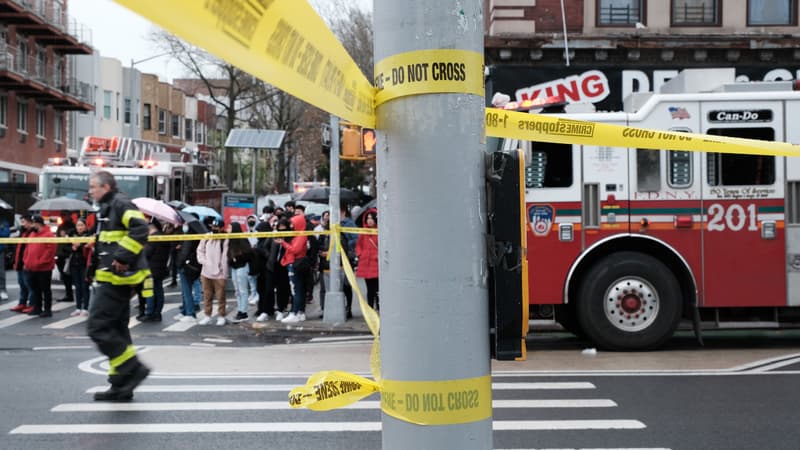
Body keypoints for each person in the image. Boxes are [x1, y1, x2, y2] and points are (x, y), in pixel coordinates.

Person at [86, 170, 151, 402]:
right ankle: (121, 385)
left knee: (98, 327)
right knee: (117, 330)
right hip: (111, 277)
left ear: (105, 187)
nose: (90, 191)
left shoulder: (120, 203)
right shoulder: (108, 206)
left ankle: (133, 368)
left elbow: (140, 229)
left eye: (93, 187)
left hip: (119, 278)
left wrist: (123, 257)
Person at [196, 218, 229, 326]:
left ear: (222, 228)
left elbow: (224, 257)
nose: (214, 229)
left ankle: (221, 316)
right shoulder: (206, 237)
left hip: (219, 273)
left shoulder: (225, 239)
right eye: (213, 226)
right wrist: (204, 262)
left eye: (216, 227)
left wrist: (223, 273)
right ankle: (207, 315)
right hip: (206, 272)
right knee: (207, 295)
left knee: (221, 296)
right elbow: (200, 251)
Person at [23, 215, 57, 317]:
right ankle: (37, 308)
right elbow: (27, 249)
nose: (31, 225)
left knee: (45, 289)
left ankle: (47, 309)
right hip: (31, 267)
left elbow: (50, 251)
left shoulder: (49, 235)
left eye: (33, 223)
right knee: (35, 289)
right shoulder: (32, 234)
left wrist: (40, 262)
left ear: (38, 224)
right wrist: (26, 261)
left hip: (44, 268)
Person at [278, 209, 308, 324]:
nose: (291, 226)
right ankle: (299, 312)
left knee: (296, 290)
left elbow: (295, 250)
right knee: (298, 289)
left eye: (292, 224)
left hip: (295, 264)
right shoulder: (298, 235)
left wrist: (283, 243)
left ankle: (295, 312)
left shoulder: (301, 236)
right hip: (295, 264)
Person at [175, 219, 203, 322]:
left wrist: (179, 263)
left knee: (186, 291)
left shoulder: (189, 236)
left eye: (186, 223)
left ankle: (190, 313)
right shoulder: (195, 235)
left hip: (186, 266)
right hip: (191, 265)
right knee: (185, 290)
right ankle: (185, 311)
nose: (184, 225)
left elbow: (185, 252)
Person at [143, 221, 171, 322]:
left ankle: (149, 312)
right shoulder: (164, 237)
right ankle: (157, 313)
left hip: (151, 268)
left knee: (149, 291)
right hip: (161, 267)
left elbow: (146, 253)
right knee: (159, 290)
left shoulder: (152, 239)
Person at [228, 221, 253, 323]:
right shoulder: (230, 240)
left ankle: (244, 312)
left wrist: (237, 258)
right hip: (234, 267)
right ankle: (240, 309)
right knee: (237, 291)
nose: (228, 230)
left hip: (242, 266)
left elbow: (248, 253)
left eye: (229, 228)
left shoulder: (242, 239)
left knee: (243, 290)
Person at [356, 209, 379, 311]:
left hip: (376, 263)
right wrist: (360, 254)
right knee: (369, 289)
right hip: (366, 263)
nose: (369, 220)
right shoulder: (363, 232)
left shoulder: (379, 231)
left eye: (371, 218)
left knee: (378, 289)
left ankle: (379, 309)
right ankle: (370, 309)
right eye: (368, 218)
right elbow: (358, 245)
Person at [68, 218, 92, 316]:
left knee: (84, 286)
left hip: (85, 264)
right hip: (74, 264)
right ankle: (78, 307)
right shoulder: (72, 235)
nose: (80, 227)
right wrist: (72, 247)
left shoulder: (89, 236)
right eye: (78, 225)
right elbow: (65, 248)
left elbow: (89, 248)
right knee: (77, 286)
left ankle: (85, 308)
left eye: (82, 225)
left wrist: (80, 245)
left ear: (85, 226)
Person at [10, 216, 33, 313]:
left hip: (26, 263)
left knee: (29, 285)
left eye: (23, 222)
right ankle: (22, 303)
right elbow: (18, 249)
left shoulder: (32, 233)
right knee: (22, 284)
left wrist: (26, 262)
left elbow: (30, 250)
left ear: (29, 222)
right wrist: (15, 262)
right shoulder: (22, 232)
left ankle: (32, 304)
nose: (22, 224)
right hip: (20, 262)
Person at [55, 219, 76, 303]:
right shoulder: (62, 227)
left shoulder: (71, 228)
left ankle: (69, 294)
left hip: (65, 256)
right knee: (65, 278)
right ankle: (69, 294)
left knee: (67, 277)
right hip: (61, 256)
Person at [245, 215, 259, 305]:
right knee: (249, 277)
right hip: (248, 257)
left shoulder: (258, 232)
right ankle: (253, 293)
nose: (251, 221)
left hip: (256, 257)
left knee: (255, 277)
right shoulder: (246, 233)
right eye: (249, 219)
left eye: (252, 219)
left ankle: (257, 294)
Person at [0, 216, 9, 301]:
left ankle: (2, 290)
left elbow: (6, 234)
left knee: (1, 272)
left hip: (0, 250)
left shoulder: (3, 222)